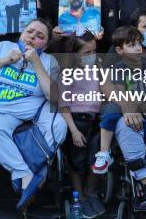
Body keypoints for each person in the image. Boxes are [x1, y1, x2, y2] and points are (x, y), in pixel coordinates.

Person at [0, 19, 67, 210]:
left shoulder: (49, 61)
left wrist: (37, 63)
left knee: (59, 125)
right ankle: (24, 173)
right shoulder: (2, 47)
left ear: (46, 45)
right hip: (1, 110)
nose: (33, 37)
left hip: (35, 110)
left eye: (40, 36)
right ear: (22, 33)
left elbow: (53, 97)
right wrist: (5, 60)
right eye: (30, 32)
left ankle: (32, 172)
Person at [95, 27, 146, 175]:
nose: (138, 48)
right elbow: (122, 95)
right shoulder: (119, 69)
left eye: (139, 44)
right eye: (132, 45)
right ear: (120, 50)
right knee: (109, 113)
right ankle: (104, 152)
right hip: (128, 107)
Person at [58, 32, 106, 218]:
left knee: (96, 159)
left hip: (94, 121)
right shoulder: (68, 73)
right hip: (76, 122)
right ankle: (80, 199)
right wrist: (73, 130)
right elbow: (63, 105)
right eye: (87, 53)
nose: (91, 56)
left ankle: (91, 194)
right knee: (76, 163)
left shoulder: (96, 69)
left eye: (94, 51)